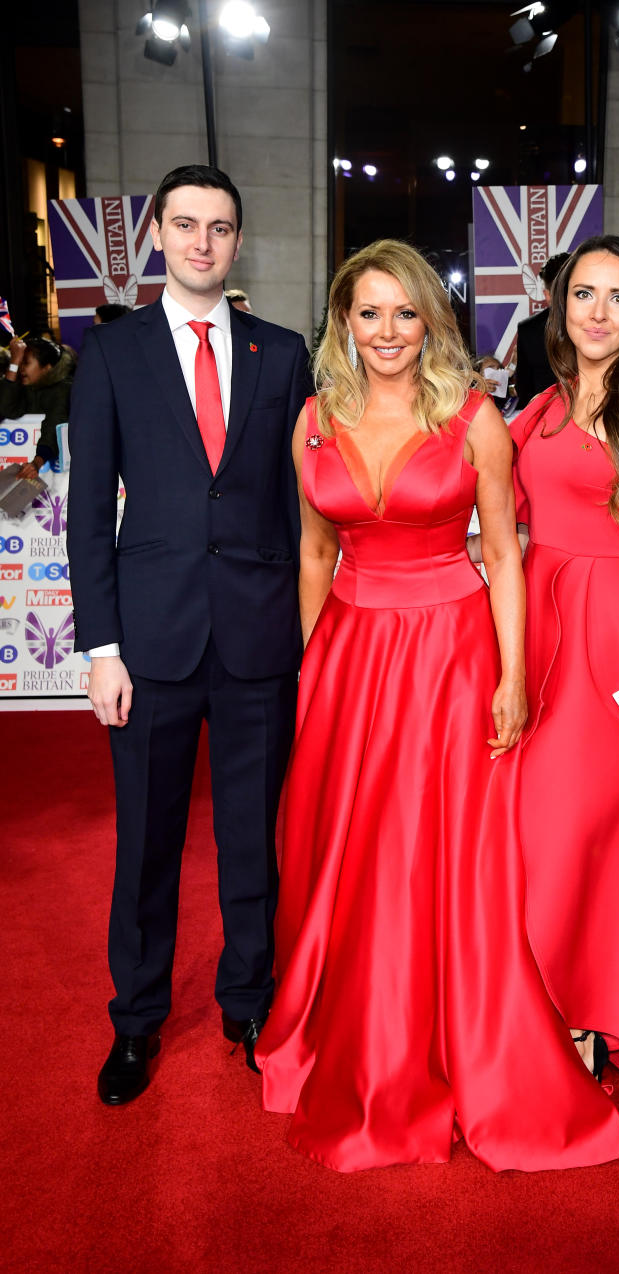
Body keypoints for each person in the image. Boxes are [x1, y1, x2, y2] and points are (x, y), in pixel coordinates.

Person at [254, 239, 619, 1173]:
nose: (387, 332)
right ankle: (350, 1026)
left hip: (452, 655)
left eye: (405, 313)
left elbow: (503, 554)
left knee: (449, 853)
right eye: (369, 313)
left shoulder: (474, 419)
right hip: (347, 654)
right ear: (345, 319)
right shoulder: (311, 419)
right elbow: (314, 557)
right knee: (349, 844)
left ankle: (467, 1041)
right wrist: (311, 670)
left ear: (432, 321)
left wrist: (509, 675)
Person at [66, 163, 311, 1106]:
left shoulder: (281, 353)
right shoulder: (114, 354)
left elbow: (298, 511)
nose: (203, 242)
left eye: (220, 227)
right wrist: (102, 649)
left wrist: (307, 632)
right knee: (147, 844)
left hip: (257, 642)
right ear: (157, 238)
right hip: (151, 642)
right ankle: (135, 1019)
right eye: (186, 226)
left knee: (254, 837)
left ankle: (248, 1001)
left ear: (238, 241)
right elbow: (89, 513)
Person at [508, 235, 619, 1083]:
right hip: (537, 632)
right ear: (560, 301)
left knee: (589, 832)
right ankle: (539, 1001)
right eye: (585, 293)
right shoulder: (538, 407)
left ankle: (590, 1014)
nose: (599, 312)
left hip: (611, 639)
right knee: (535, 833)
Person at [0, 335, 75, 478]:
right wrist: (14, 363)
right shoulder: (26, 387)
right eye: (19, 363)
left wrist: (37, 462)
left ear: (47, 368)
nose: (21, 369)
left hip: (59, 477)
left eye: (25, 362)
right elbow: (7, 408)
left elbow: (54, 426)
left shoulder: (63, 390)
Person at [514, 252, 569, 408]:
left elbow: (524, 388)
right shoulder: (528, 329)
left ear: (547, 294)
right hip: (545, 419)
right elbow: (523, 388)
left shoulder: (528, 329)